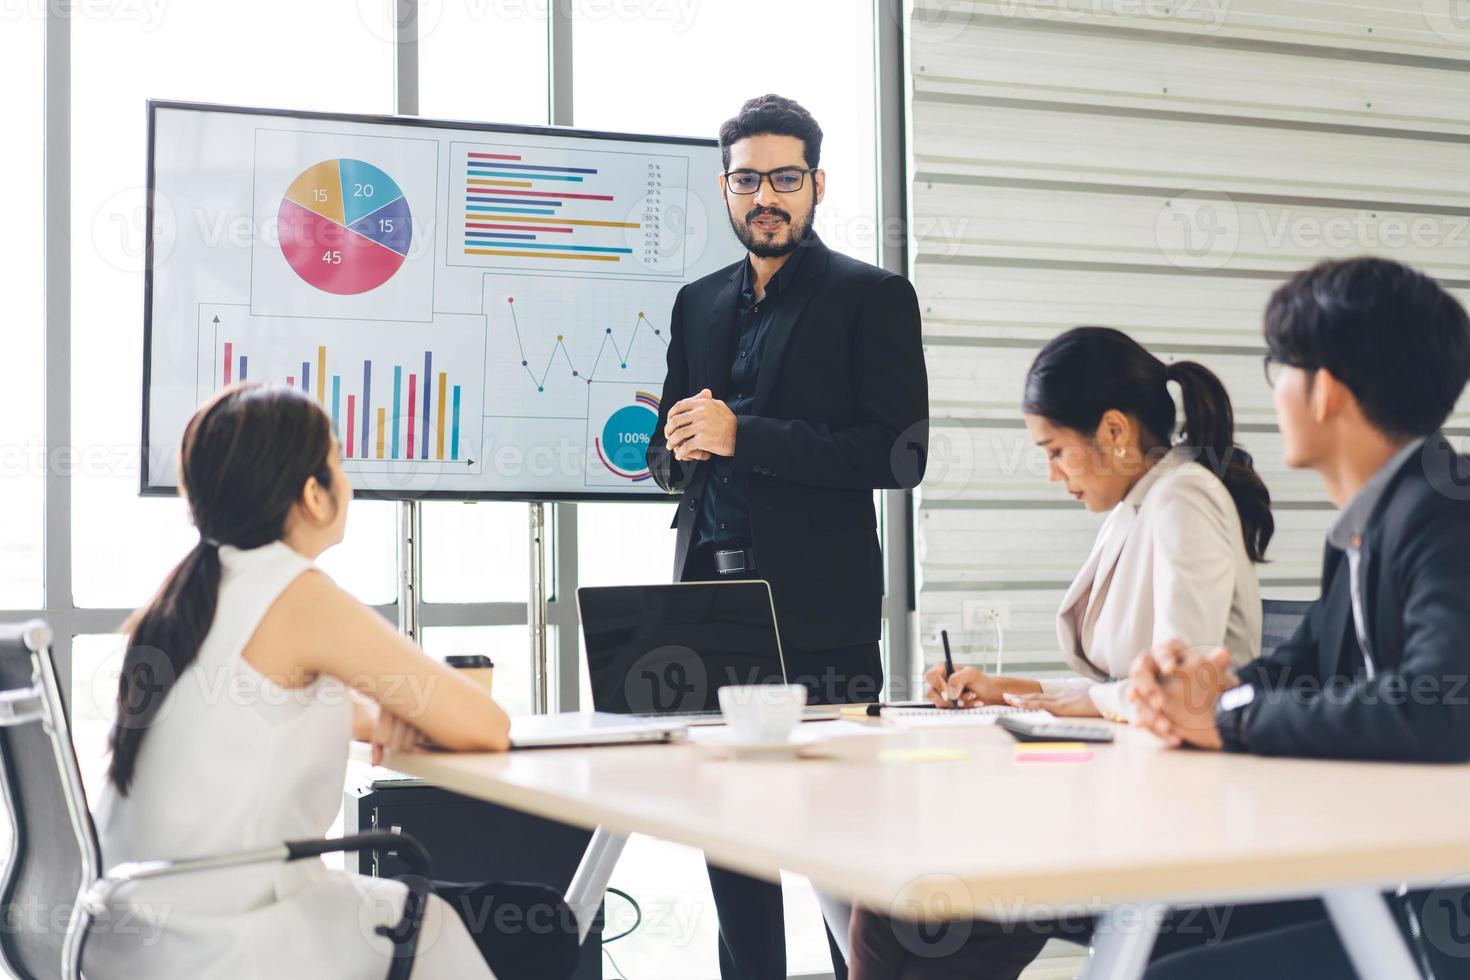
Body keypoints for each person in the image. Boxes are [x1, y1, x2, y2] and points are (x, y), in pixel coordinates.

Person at [84, 384, 580, 980]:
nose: (347, 479)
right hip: (223, 940)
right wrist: (418, 710)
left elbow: (325, 714)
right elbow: (486, 725)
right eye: (339, 461)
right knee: (540, 922)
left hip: (130, 928)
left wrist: (404, 711)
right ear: (313, 494)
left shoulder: (186, 598)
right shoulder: (293, 591)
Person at [847, 325, 1275, 978]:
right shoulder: (1142, 500)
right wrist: (1004, 689)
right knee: (894, 902)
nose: (1051, 474)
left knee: (917, 900)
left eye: (1054, 451)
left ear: (1112, 431)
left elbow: (1174, 686)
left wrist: (1052, 698)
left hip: (1169, 815)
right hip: (1123, 789)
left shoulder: (1181, 499)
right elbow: (1112, 685)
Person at [645, 94, 929, 980]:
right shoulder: (695, 303)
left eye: (783, 178)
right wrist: (675, 449)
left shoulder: (871, 297)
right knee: (731, 839)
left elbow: (898, 451)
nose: (763, 196)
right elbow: (669, 446)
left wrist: (746, 435)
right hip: (710, 606)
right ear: (723, 187)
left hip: (822, 607)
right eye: (745, 179)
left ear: (815, 184)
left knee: (841, 838)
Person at [1128, 256, 1470, 978]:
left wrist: (1228, 723)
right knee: (1148, 925)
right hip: (1383, 871)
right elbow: (1301, 664)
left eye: (1276, 366)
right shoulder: (1375, 519)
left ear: (1327, 393)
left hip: (1438, 909)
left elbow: (1442, 706)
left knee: (1168, 968)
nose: (1273, 389)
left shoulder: (1444, 514)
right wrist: (1208, 690)